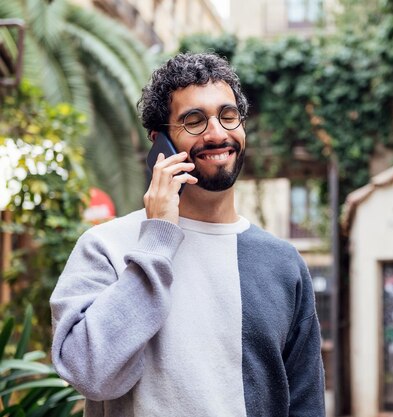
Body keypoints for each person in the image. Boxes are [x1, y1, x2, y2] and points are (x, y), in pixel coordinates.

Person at [50, 53, 325, 417]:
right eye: (194, 121)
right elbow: (90, 374)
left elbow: (306, 402)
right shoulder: (106, 246)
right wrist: (158, 239)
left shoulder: (282, 262)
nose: (217, 133)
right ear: (159, 141)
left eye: (228, 116)